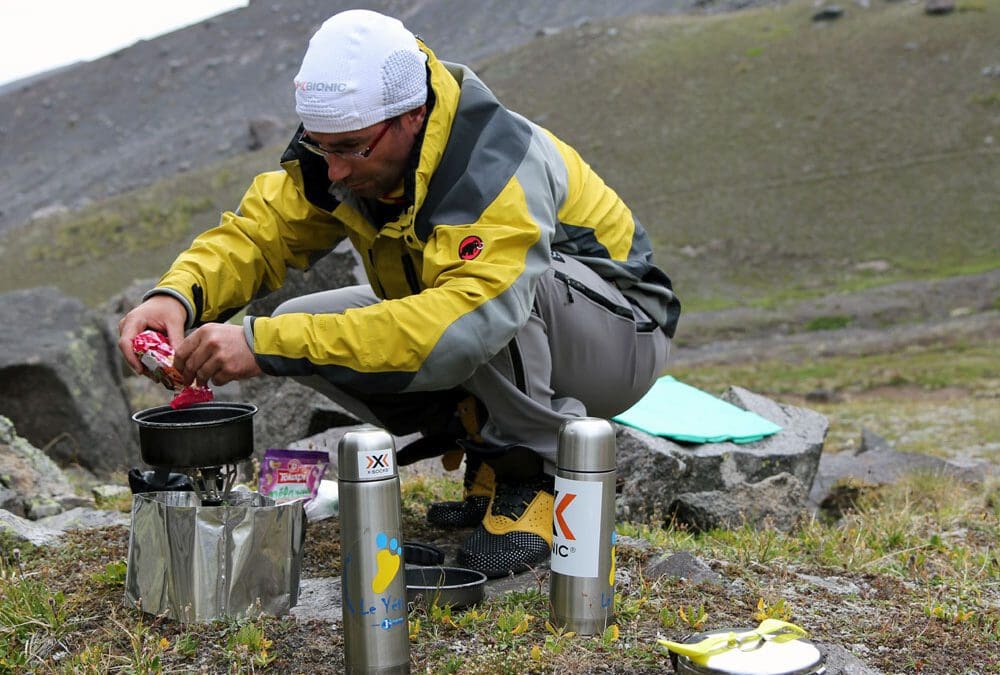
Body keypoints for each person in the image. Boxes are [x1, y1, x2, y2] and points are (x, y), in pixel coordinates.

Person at [117, 9, 680, 578]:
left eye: (350, 148)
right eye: (320, 147)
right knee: (299, 321)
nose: (333, 170)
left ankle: (534, 472)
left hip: (619, 341)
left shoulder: (493, 162)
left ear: (412, 116)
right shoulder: (340, 155)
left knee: (493, 296)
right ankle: (490, 446)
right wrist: (178, 296)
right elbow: (259, 234)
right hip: (524, 328)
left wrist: (260, 344)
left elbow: (472, 322)